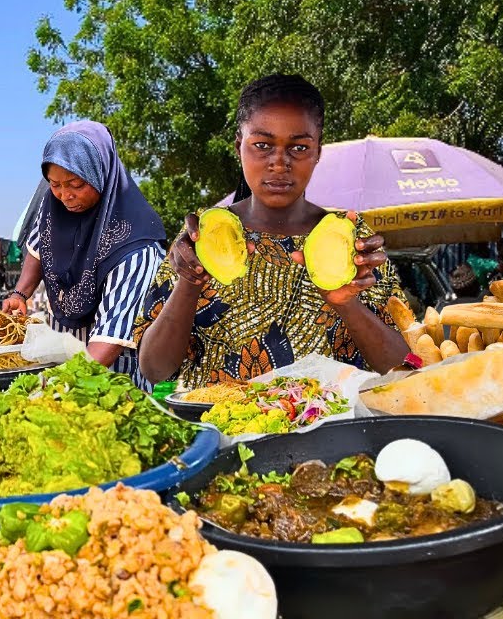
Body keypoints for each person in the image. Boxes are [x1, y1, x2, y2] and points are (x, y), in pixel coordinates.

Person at [136, 75, 408, 387]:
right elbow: (154, 369)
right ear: (240, 146)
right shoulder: (201, 238)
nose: (279, 163)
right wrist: (189, 282)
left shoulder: (353, 241)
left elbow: (402, 368)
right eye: (263, 145)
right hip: (224, 432)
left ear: (318, 151)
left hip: (330, 430)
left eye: (299, 147)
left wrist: (346, 304)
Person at [2, 121, 167, 388]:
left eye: (76, 184)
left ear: (100, 173)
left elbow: (108, 345)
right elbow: (38, 246)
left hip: (114, 384)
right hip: (65, 371)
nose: (65, 195)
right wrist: (20, 293)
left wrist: (53, 389)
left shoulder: (135, 247)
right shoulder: (54, 211)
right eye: (54, 185)